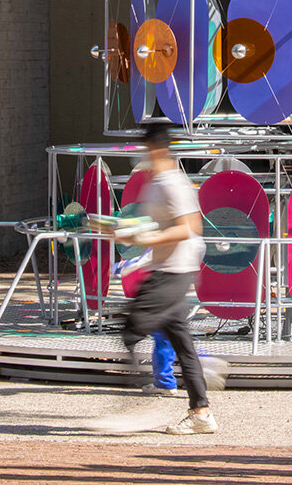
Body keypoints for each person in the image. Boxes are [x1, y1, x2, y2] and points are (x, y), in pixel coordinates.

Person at [113, 123, 219, 435]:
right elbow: (155, 225)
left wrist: (146, 238)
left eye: (145, 152)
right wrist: (127, 232)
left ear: (157, 151)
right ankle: (201, 412)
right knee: (182, 345)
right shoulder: (155, 182)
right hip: (166, 270)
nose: (141, 158)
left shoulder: (173, 182)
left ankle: (134, 407)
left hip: (173, 272)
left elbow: (189, 227)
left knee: (131, 331)